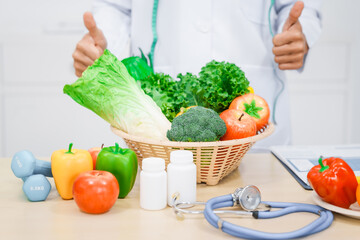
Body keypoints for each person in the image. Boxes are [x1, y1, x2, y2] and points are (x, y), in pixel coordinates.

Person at [72, 0, 322, 151]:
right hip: (164, 110)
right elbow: (116, 6)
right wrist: (102, 50)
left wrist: (300, 35)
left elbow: (299, 5)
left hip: (256, 102)